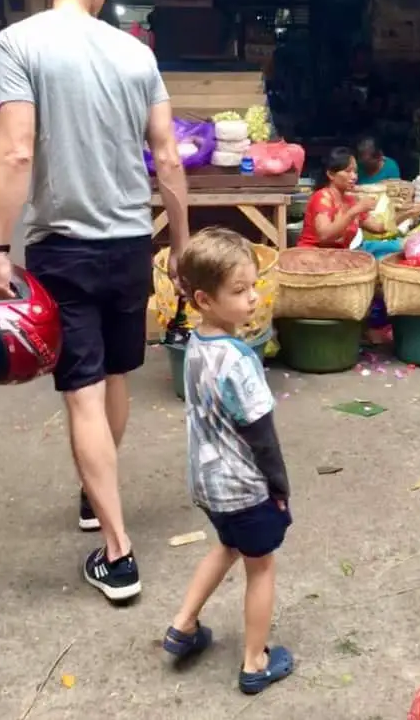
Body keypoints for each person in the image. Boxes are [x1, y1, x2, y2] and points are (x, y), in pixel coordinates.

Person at [0, 0, 189, 602]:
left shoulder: (20, 43)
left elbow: (15, 153)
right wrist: (181, 245)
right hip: (131, 242)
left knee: (82, 391)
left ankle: (118, 552)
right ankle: (92, 493)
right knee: (117, 374)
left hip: (64, 248)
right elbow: (166, 158)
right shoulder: (137, 55)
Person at [163, 228, 293, 695]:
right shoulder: (239, 361)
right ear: (204, 298)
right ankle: (255, 661)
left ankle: (183, 625)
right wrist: (279, 487)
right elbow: (262, 436)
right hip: (244, 487)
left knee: (227, 547)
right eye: (239, 292)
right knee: (261, 566)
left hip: (208, 484)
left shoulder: (195, 345)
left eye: (253, 286)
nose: (253, 299)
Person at [297, 147, 386, 248]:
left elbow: (378, 228)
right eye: (348, 171)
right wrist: (354, 211)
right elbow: (325, 236)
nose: (354, 177)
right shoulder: (322, 197)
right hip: (312, 256)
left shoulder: (351, 200)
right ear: (331, 174)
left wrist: (405, 212)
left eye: (355, 172)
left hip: (338, 257)